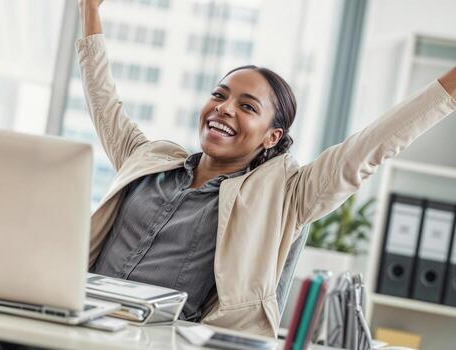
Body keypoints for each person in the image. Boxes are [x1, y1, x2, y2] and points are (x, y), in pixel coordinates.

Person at [78, 0, 456, 338]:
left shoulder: (287, 196)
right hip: (82, 319)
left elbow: (372, 146)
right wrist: (90, 10)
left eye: (247, 106)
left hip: (167, 341)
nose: (224, 108)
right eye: (219, 95)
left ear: (272, 137)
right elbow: (103, 101)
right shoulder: (149, 158)